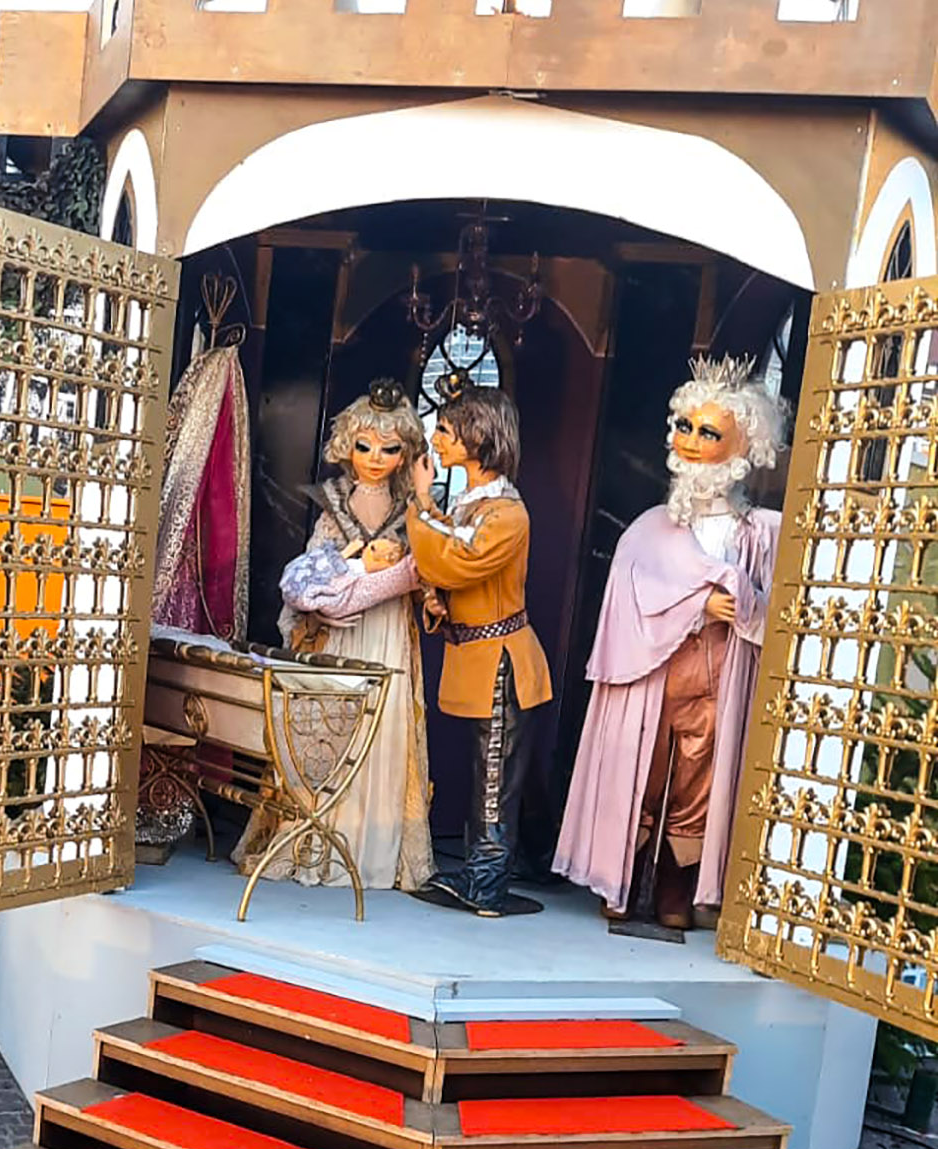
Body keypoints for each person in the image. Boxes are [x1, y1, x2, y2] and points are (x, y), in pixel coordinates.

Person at [554, 356, 783, 931]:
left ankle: (677, 888)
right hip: (653, 670)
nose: (692, 441)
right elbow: (628, 602)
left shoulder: (759, 532)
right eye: (685, 426)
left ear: (743, 445)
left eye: (709, 433)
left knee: (699, 780)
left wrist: (741, 606)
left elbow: (775, 610)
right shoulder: (648, 528)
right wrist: (698, 604)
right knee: (643, 770)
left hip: (720, 672)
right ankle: (623, 876)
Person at [237, 378, 436, 891]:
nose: (375, 459)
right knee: (327, 729)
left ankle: (375, 848)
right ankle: (314, 843)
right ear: (348, 445)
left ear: (407, 453)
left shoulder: (412, 510)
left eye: (389, 449)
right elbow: (309, 574)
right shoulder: (333, 505)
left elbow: (431, 566)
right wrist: (327, 604)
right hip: (338, 635)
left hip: (388, 632)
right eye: (365, 446)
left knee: (383, 730)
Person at [407, 382, 552, 918]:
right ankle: (483, 872)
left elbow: (455, 560)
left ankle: (488, 883)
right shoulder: (475, 507)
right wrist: (437, 599)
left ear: (479, 437)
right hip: (478, 657)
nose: (437, 440)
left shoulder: (507, 515)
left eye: (446, 431)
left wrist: (420, 504)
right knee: (488, 771)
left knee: (493, 777)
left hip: (502, 664)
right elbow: (448, 557)